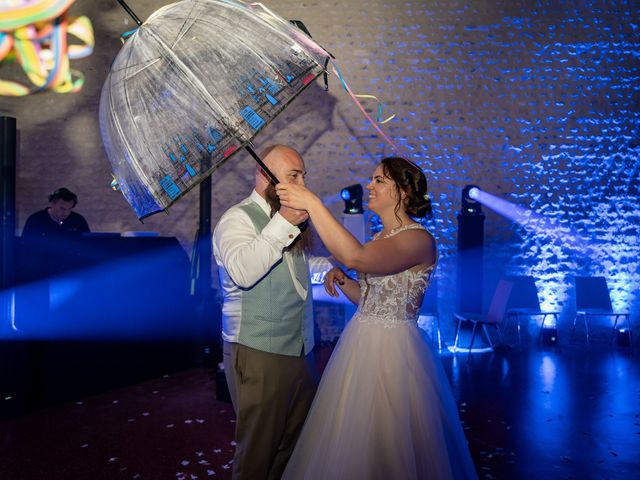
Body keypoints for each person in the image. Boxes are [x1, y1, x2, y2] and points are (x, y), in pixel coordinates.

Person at [276, 157, 478, 479]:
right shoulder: (380, 239)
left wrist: (312, 203)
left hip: (394, 352)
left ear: (402, 191)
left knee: (388, 441)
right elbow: (370, 301)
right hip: (361, 341)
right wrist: (343, 281)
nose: (369, 186)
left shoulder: (418, 239)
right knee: (352, 436)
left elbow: (356, 257)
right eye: (372, 179)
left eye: (379, 180)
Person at [212, 145, 321, 480]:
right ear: (264, 174)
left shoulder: (282, 218)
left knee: (290, 446)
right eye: (293, 176)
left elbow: (293, 268)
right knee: (258, 452)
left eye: (302, 175)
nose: (301, 183)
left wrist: (329, 270)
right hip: (259, 348)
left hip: (299, 349)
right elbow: (245, 271)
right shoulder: (237, 219)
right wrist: (283, 223)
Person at [21, 187, 90, 237]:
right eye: (62, 208)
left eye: (69, 209)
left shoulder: (78, 220)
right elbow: (26, 247)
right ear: (53, 204)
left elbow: (88, 244)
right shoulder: (36, 220)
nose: (66, 213)